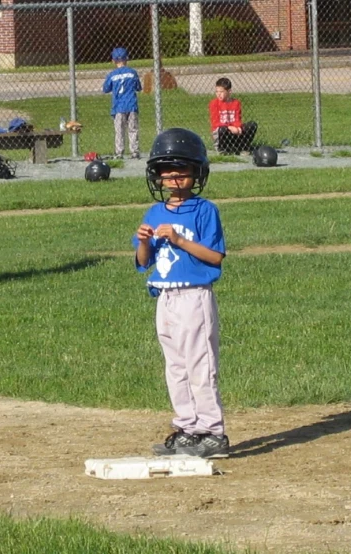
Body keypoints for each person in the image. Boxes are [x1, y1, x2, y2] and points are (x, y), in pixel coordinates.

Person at [133, 127, 229, 459]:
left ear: (196, 172)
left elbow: (215, 257)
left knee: (200, 365)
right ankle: (188, 429)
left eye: (182, 171)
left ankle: (213, 432)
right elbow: (143, 262)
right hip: (165, 299)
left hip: (194, 297)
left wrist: (179, 240)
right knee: (175, 367)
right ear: (157, 176)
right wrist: (144, 241)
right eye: (167, 172)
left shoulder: (205, 210)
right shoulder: (154, 213)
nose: (174, 179)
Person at [102, 47, 141, 160]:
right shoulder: (132, 73)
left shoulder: (112, 75)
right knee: (133, 129)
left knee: (119, 130)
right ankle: (134, 151)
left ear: (113, 60)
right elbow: (138, 87)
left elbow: (105, 89)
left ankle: (119, 152)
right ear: (126, 59)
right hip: (132, 105)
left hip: (118, 107)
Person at [208, 77, 257, 155]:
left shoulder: (236, 103)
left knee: (252, 125)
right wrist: (229, 127)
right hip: (223, 132)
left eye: (221, 92)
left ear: (229, 92)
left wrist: (238, 127)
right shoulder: (214, 103)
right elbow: (215, 123)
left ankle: (242, 147)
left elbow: (237, 119)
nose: (218, 94)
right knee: (222, 129)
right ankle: (223, 149)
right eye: (217, 92)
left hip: (234, 131)